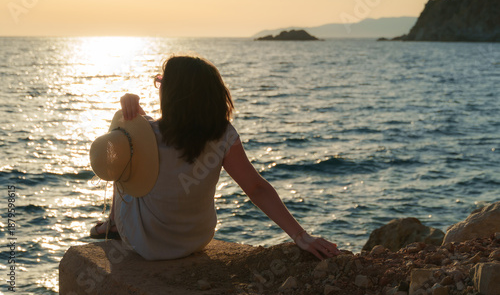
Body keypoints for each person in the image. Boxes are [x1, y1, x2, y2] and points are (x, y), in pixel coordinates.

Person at [89, 55, 340, 260]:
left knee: (122, 155)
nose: (159, 85)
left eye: (161, 81)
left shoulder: (148, 132)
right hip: (196, 239)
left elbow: (135, 139)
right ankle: (112, 223)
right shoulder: (222, 133)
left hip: (143, 242)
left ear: (173, 93)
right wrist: (301, 236)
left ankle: (112, 223)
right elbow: (256, 187)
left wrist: (128, 110)